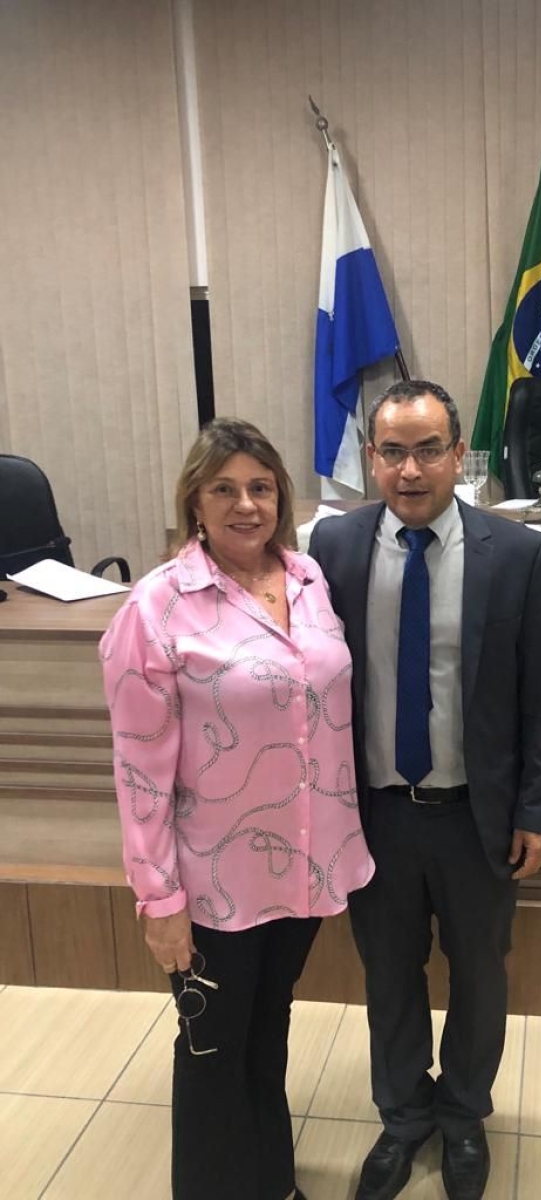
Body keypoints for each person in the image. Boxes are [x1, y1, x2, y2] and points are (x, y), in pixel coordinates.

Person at [100, 418, 374, 1200]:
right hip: (212, 883)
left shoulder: (309, 580)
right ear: (195, 500)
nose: (245, 505)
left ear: (280, 496)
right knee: (213, 1050)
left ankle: (271, 1181)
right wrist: (159, 900)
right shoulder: (157, 607)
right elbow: (140, 771)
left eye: (260, 487)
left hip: (304, 870)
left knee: (266, 1034)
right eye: (224, 489)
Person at [308, 381, 541, 1200]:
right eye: (392, 452)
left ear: (461, 455)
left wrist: (536, 811)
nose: (410, 470)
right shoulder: (333, 548)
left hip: (475, 817)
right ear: (372, 459)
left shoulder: (516, 554)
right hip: (375, 814)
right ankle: (402, 1117)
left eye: (428, 450)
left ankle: (462, 1116)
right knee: (389, 977)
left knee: (480, 975)